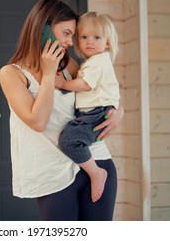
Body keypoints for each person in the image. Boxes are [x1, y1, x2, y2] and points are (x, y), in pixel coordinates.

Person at [0, 0, 124, 221]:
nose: (70, 42)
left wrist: (118, 111)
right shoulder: (11, 74)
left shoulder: (68, 65)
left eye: (72, 36)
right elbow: (38, 121)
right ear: (44, 28)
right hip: (52, 174)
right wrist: (48, 73)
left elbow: (101, 87)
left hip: (94, 161)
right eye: (66, 33)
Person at [55, 11, 120, 203]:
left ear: (107, 43)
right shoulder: (91, 62)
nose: (89, 41)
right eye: (84, 37)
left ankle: (96, 173)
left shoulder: (99, 61)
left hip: (97, 112)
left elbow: (85, 85)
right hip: (94, 111)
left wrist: (63, 84)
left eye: (96, 37)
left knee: (70, 141)